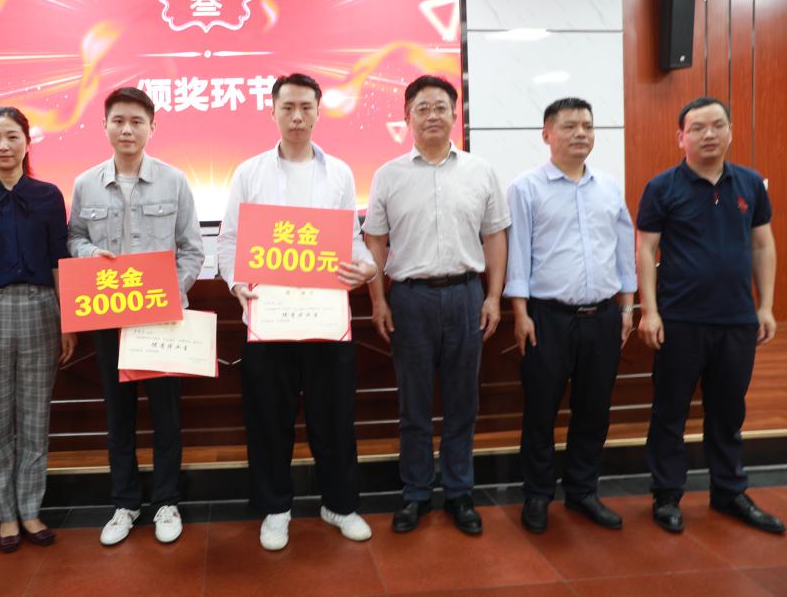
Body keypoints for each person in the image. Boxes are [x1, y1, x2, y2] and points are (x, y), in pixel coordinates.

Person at [216, 73, 376, 551]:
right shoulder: (250, 172)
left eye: (306, 107)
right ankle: (276, 508)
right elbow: (229, 240)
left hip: (327, 319)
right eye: (288, 107)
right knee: (269, 418)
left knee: (334, 416)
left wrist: (366, 267)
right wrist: (237, 284)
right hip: (269, 319)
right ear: (272, 111)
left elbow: (350, 240)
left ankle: (339, 504)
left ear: (319, 111)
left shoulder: (340, 173)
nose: (297, 117)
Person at [364, 75, 510, 536]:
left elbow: (495, 235)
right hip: (410, 299)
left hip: (467, 295)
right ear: (407, 117)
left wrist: (493, 296)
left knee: (463, 401)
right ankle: (416, 493)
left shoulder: (480, 171)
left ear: (454, 114)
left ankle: (460, 492)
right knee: (414, 404)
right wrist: (378, 300)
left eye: (440, 107)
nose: (432, 115)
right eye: (422, 108)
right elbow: (375, 241)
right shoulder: (388, 175)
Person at [637, 96, 782, 535]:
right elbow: (645, 249)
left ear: (731, 132)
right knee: (670, 411)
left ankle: (729, 491)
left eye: (718, 125)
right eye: (698, 128)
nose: (709, 134)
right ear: (681, 137)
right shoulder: (662, 187)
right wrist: (650, 311)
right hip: (679, 320)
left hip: (737, 320)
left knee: (728, 411)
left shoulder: (751, 184)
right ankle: (666, 494)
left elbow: (763, 244)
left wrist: (765, 305)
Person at [68, 87, 204, 546]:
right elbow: (74, 238)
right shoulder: (85, 184)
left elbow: (192, 250)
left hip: (162, 320)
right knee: (119, 414)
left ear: (151, 127)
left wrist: (169, 295)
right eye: (119, 121)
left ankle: (166, 501)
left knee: (166, 415)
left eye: (136, 121)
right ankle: (124, 503)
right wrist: (89, 253)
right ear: (105, 125)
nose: (127, 129)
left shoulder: (174, 181)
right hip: (109, 318)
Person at [504, 97, 636, 534]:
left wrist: (628, 307)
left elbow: (624, 250)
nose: (581, 133)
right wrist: (520, 313)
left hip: (603, 316)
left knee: (594, 409)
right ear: (547, 134)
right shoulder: (526, 188)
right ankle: (537, 494)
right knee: (540, 410)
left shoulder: (609, 187)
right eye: (569, 126)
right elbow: (518, 254)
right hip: (547, 317)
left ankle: (583, 491)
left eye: (587, 126)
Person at [0, 106, 77, 552]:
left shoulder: (48, 196)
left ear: (27, 141)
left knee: (35, 417)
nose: (3, 146)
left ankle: (31, 509)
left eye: (12, 137)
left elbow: (60, 262)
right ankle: (5, 515)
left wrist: (68, 321)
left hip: (41, 308)